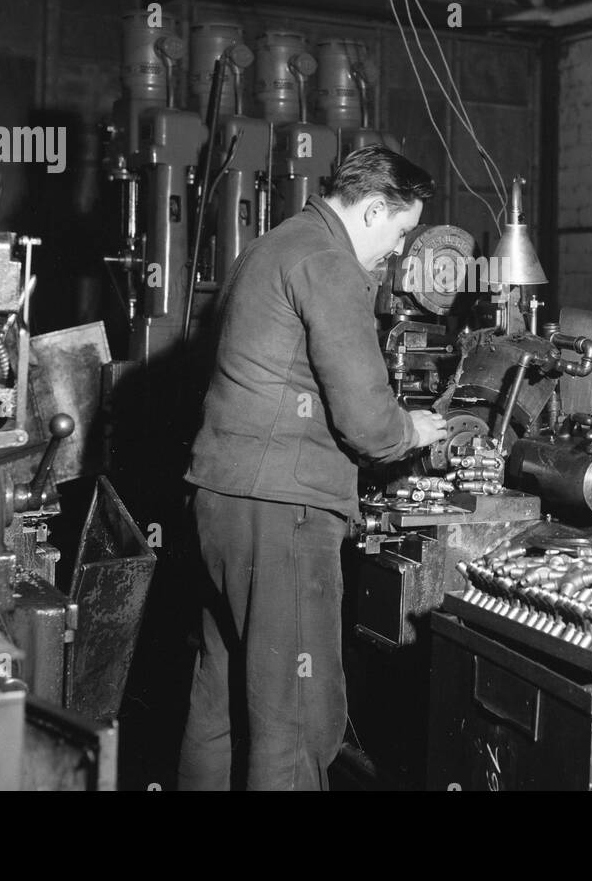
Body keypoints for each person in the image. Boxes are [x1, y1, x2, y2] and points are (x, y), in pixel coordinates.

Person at [178, 146, 448, 791]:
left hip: (220, 499)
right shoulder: (326, 263)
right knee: (297, 720)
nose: (397, 249)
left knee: (221, 703)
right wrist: (414, 429)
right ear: (374, 208)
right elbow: (367, 420)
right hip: (283, 513)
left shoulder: (272, 245)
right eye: (400, 230)